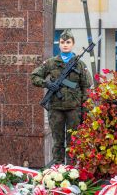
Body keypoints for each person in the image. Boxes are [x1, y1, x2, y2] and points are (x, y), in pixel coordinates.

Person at [31, 29, 92, 164]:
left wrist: (85, 110)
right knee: (58, 141)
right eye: (62, 42)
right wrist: (47, 84)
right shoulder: (51, 63)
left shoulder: (80, 64)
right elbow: (34, 76)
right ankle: (57, 168)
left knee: (73, 141)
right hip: (56, 108)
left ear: (73, 44)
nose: (65, 45)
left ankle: (71, 170)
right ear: (59, 44)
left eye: (68, 42)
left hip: (74, 109)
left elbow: (86, 88)